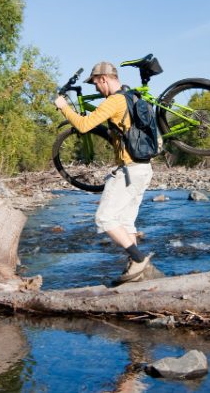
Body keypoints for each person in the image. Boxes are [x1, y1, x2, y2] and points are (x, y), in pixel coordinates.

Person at [53, 61, 156, 284]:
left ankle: (138, 259)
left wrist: (64, 106)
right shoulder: (131, 96)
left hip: (129, 171)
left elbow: (82, 125)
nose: (96, 89)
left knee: (105, 219)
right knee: (126, 223)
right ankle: (138, 273)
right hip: (143, 168)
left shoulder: (114, 100)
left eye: (96, 84)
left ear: (103, 79)